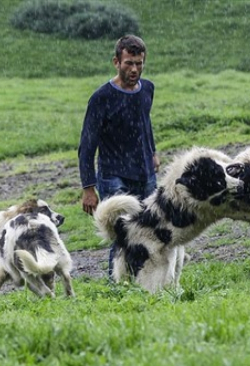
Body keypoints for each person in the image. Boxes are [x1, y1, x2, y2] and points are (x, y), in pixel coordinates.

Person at [78, 34, 160, 278]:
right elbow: (86, 145)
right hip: (113, 174)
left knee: (150, 227)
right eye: (128, 63)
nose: (134, 69)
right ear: (116, 62)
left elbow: (145, 123)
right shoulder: (101, 98)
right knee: (123, 230)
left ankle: (145, 277)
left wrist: (153, 152)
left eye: (139, 63)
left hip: (145, 171)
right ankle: (117, 283)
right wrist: (88, 187)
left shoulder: (147, 89)